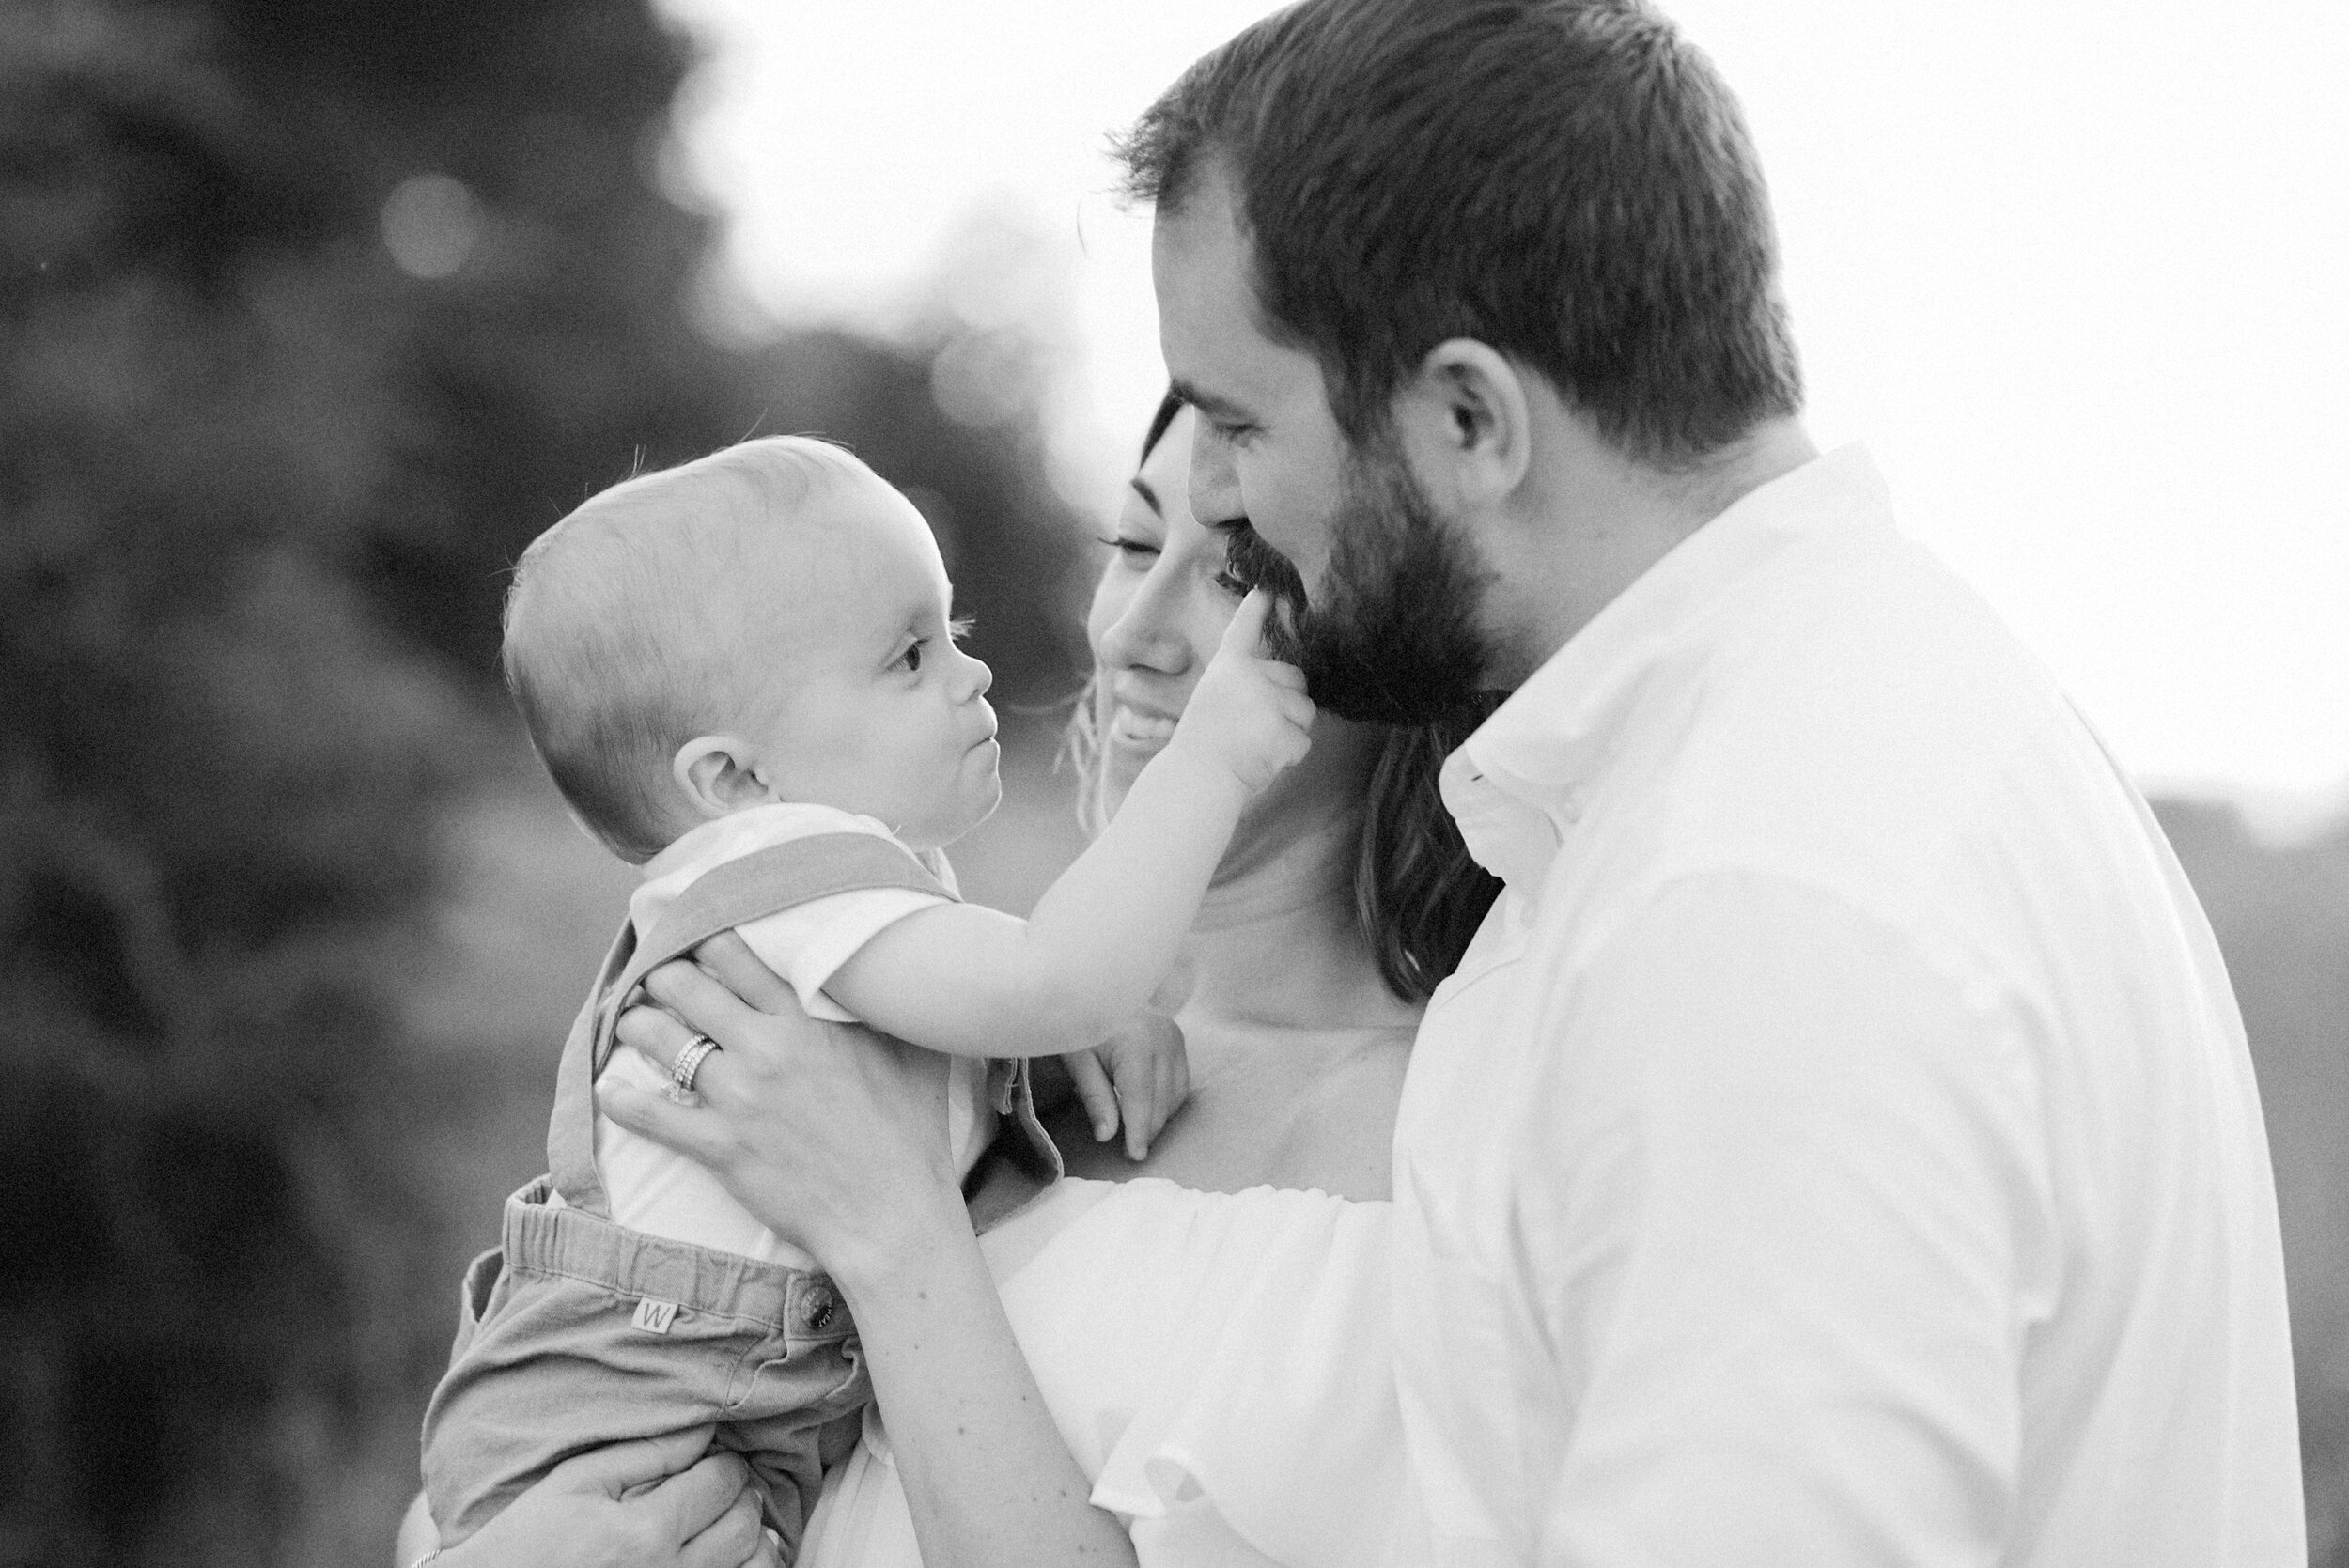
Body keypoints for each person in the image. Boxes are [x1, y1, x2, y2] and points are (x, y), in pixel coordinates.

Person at [605, 1, 2306, 1565]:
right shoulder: (1859, 736)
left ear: (1473, 422)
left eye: (1245, 430)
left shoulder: (1757, 896)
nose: (1224, 516)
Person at [413, 434, 1314, 1557]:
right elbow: (1053, 980)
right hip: (621, 1423)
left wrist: (1043, 1048)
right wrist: (1211, 760)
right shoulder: (783, 868)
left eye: (953, 632)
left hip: (661, 1421)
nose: (970, 674)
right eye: (908, 657)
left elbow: (1010, 1013)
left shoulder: (803, 897)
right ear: (737, 778)